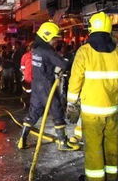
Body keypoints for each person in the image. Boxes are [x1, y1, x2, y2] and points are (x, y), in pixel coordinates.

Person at [67, 12, 118, 181]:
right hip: (112, 108)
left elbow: (75, 79)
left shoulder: (84, 52)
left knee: (93, 146)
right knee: (111, 143)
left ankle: (95, 179)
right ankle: (112, 175)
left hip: (92, 110)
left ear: (91, 29)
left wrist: (71, 102)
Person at [17, 22, 77, 151]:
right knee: (57, 111)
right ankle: (62, 142)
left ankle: (22, 139)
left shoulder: (37, 49)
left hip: (36, 84)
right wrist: (71, 60)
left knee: (34, 112)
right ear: (47, 36)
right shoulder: (47, 51)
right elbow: (64, 65)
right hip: (46, 85)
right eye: (54, 38)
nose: (56, 41)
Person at [20, 42, 33, 108]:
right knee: (27, 93)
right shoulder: (26, 56)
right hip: (28, 79)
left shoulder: (26, 56)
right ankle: (26, 104)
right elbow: (22, 67)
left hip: (35, 79)